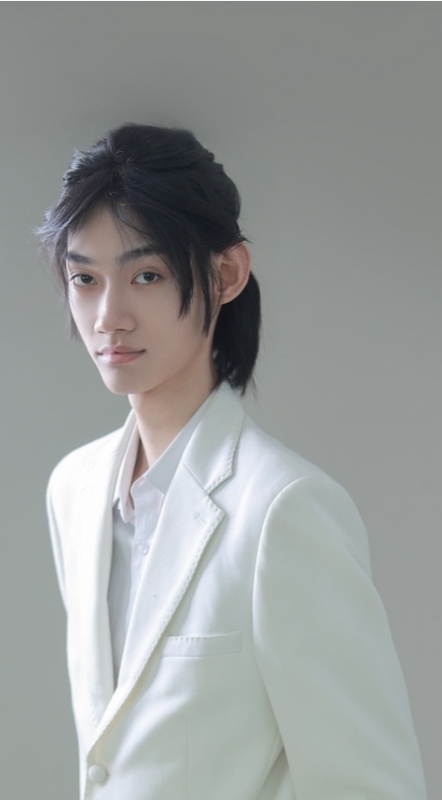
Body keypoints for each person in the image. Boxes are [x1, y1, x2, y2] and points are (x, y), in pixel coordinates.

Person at [38, 124, 427, 800]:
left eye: (147, 275)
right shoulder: (74, 490)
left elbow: (371, 786)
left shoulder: (284, 510)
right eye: (85, 278)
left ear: (226, 276)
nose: (108, 316)